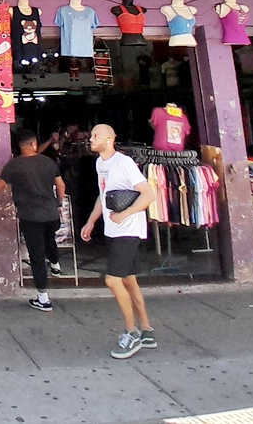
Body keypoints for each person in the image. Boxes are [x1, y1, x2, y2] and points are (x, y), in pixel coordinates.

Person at [79, 124, 157, 360]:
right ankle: (147, 331)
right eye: (91, 135)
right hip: (114, 230)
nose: (91, 139)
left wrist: (124, 215)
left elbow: (149, 194)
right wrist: (91, 221)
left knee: (113, 280)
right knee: (128, 280)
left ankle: (131, 333)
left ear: (110, 140)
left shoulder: (124, 163)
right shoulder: (100, 163)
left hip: (128, 230)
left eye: (95, 136)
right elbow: (103, 196)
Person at [0, 129, 65, 312]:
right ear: (34, 144)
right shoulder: (48, 162)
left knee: (36, 256)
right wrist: (59, 202)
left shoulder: (13, 165)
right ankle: (55, 264)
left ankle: (43, 298)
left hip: (30, 216)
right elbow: (61, 185)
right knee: (50, 239)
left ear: (19, 147)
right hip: (51, 213)